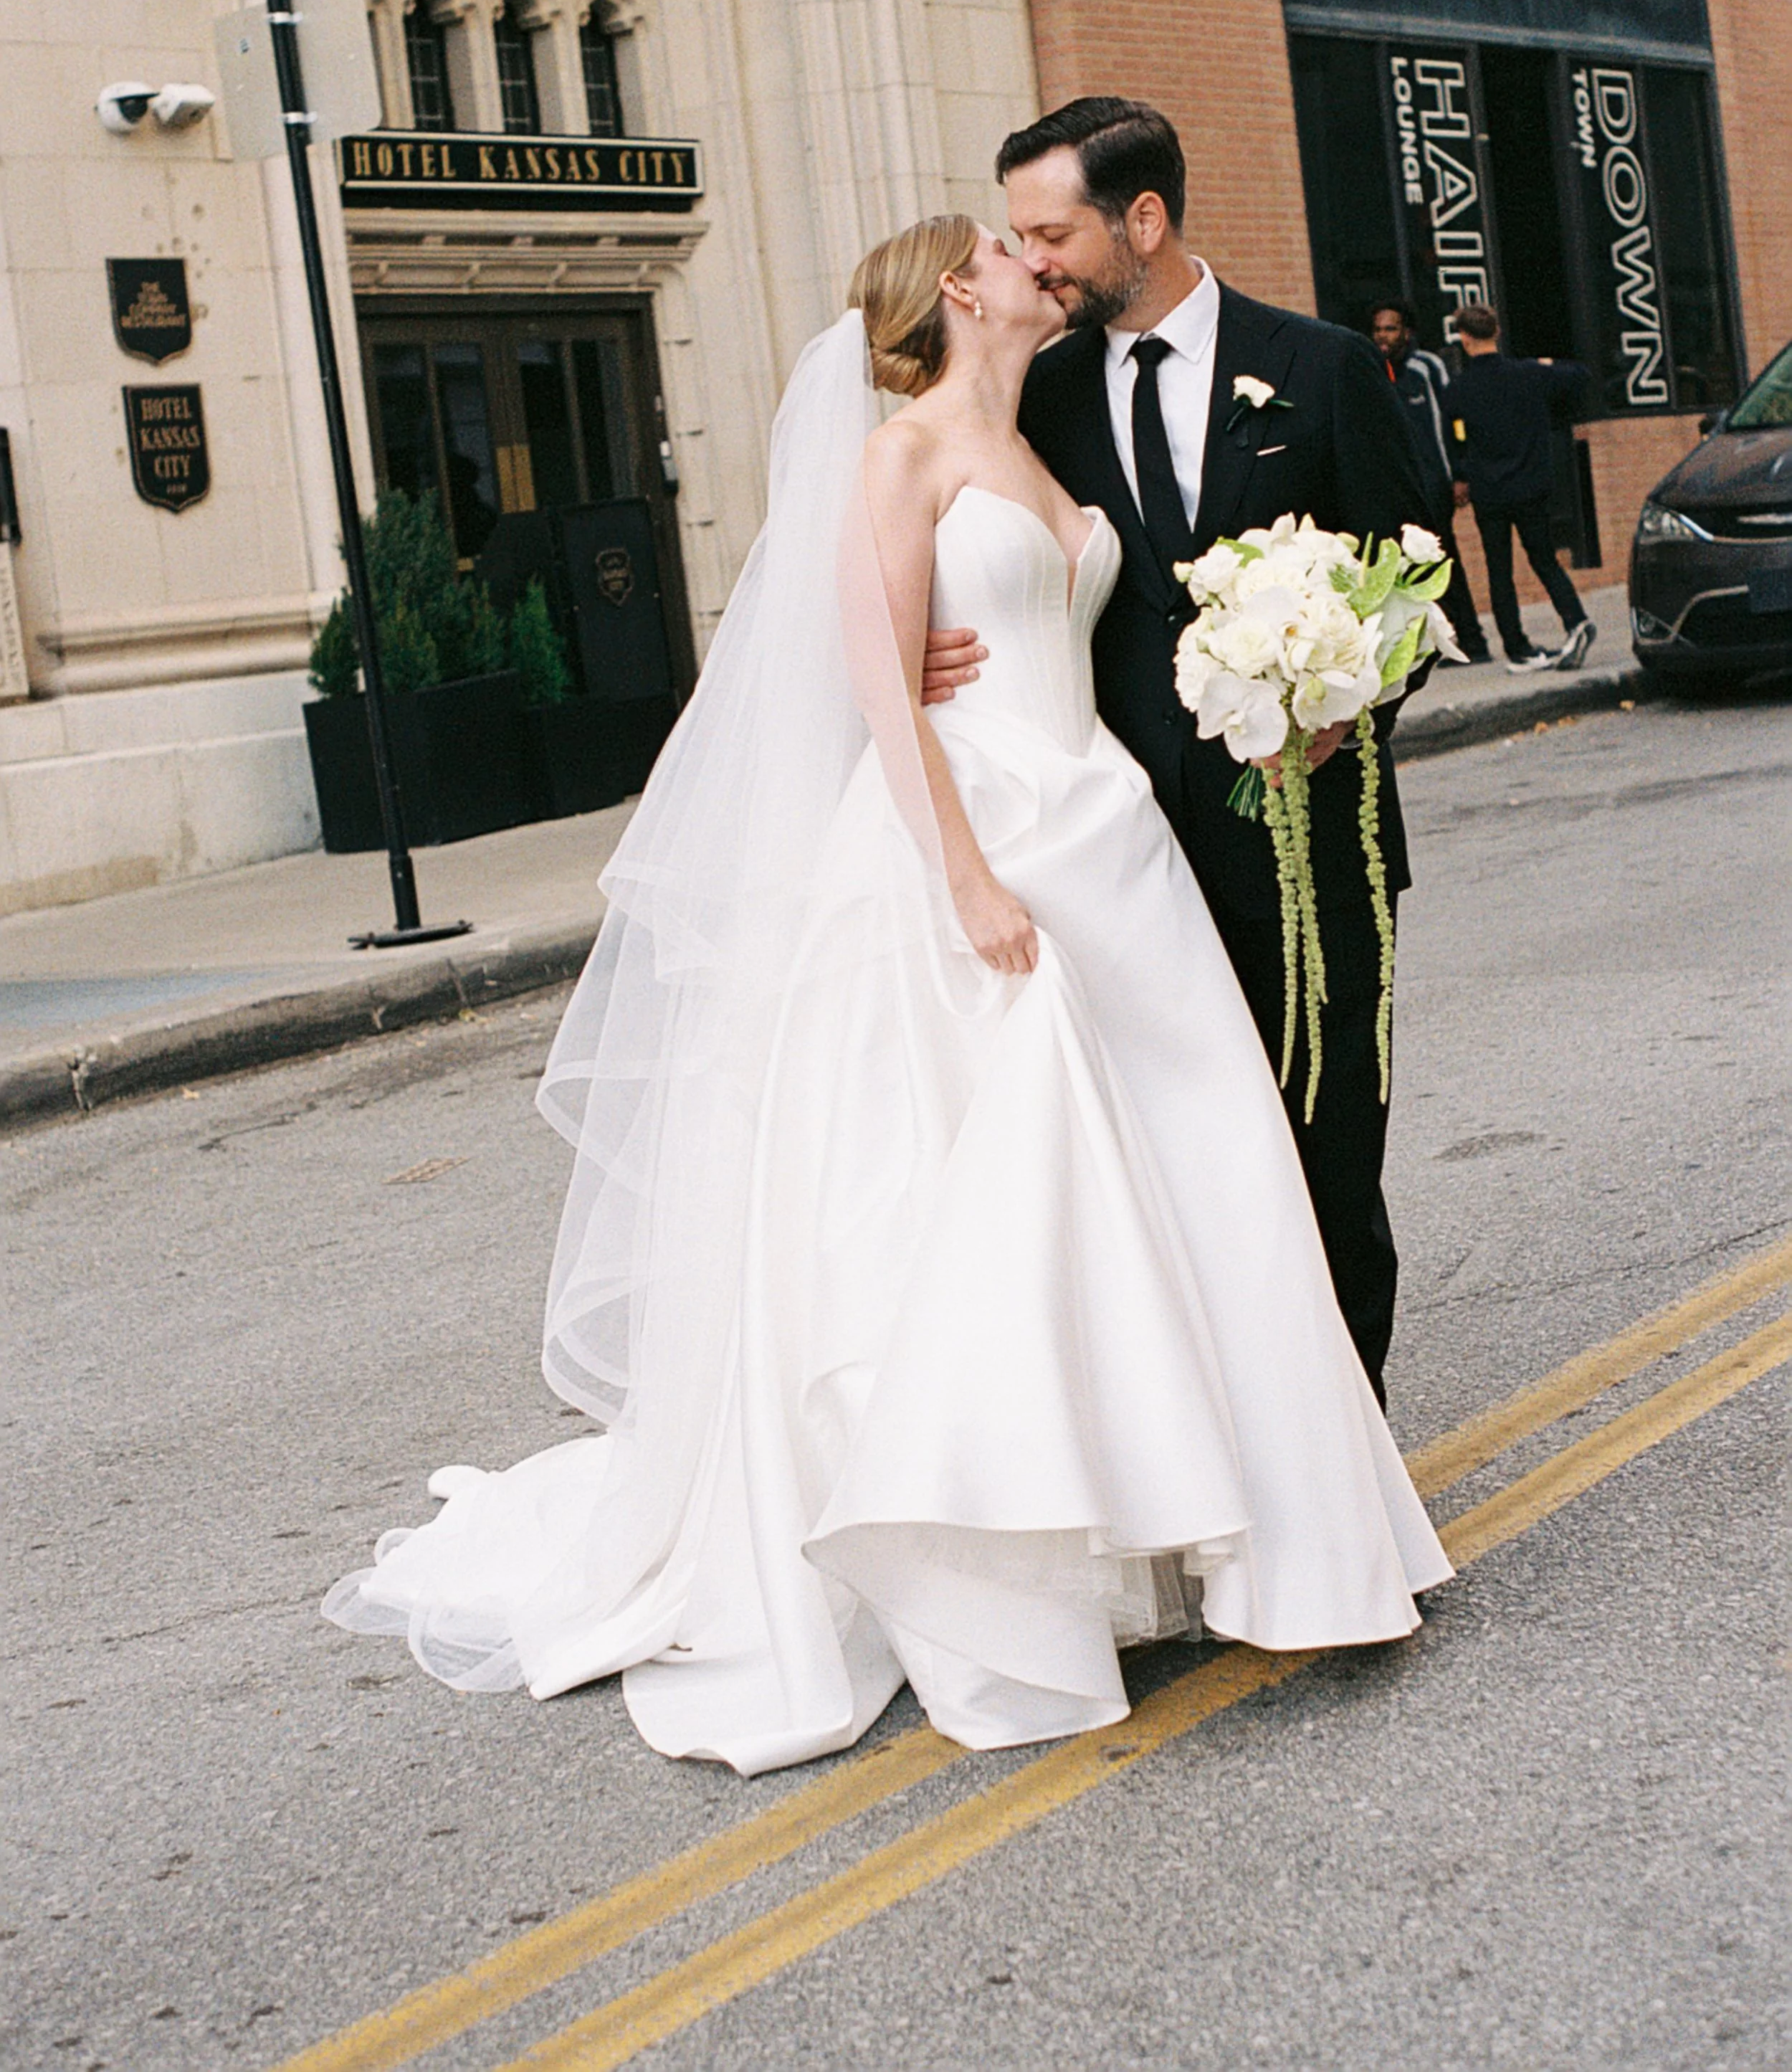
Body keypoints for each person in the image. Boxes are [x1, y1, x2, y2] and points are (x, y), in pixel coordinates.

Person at [323, 215, 1449, 1774]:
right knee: (1002, 1210)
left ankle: (1253, 1534)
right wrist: (966, 879)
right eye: (1002, 244)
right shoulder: (899, 456)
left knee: (1190, 1179)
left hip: (1107, 836)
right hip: (976, 845)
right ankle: (1009, 1564)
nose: (1032, 256)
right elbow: (876, 682)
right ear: (955, 290)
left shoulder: (1046, 438)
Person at [925, 101, 1431, 1399]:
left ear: (1142, 219)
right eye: (1021, 237)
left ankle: (1349, 1459)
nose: (1033, 262)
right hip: (1119, 864)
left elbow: (1411, 587)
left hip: (1308, 851)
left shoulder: (1321, 367)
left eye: (1054, 233)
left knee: (1327, 1161)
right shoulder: (1039, 391)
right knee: (1174, 1176)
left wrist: (1346, 701)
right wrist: (927, 642)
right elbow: (963, 536)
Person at [1442, 300, 1593, 673]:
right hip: (1531, 485)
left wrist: (1461, 476)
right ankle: (1575, 619)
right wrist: (1545, 363)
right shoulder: (1528, 374)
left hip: (1490, 491)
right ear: (1497, 332)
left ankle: (1517, 646)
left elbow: (1454, 439)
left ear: (1464, 338)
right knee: (1544, 559)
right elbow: (1580, 375)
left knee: (1500, 571)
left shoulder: (1459, 389)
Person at [1370, 302, 1490, 663]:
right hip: (1398, 488)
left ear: (1406, 333)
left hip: (1434, 485)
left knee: (1442, 563)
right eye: (1378, 329)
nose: (1383, 336)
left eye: (1391, 328)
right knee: (1411, 571)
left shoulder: (1427, 367)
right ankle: (1434, 647)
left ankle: (1473, 641)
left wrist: (1459, 475)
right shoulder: (1373, 371)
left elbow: (1452, 424)